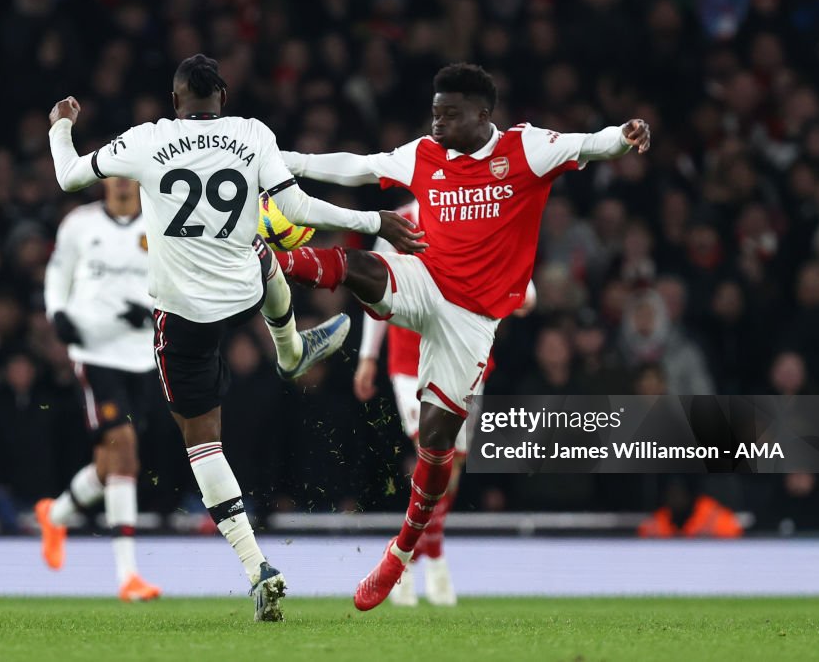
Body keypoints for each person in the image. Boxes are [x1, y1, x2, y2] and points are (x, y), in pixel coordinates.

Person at [46, 54, 421, 621]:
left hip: (181, 316)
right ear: (222, 96)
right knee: (265, 255)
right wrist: (372, 220)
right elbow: (293, 207)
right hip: (242, 292)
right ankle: (291, 350)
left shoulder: (147, 140)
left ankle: (257, 567)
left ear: (176, 102)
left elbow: (69, 176)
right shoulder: (252, 134)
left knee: (203, 443)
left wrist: (60, 124)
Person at [278, 62, 650, 610]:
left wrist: (623, 135)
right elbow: (358, 168)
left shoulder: (526, 150)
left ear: (483, 115)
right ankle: (272, 259)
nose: (437, 124)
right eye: (434, 113)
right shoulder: (424, 155)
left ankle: (400, 554)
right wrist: (288, 161)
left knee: (438, 448)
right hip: (425, 280)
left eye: (449, 115)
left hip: (472, 322)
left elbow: (590, 145)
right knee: (361, 265)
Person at [353, 200, 535, 607]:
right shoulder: (397, 220)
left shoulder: (483, 214)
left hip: (466, 353)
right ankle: (425, 561)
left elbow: (526, 290)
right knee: (434, 456)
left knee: (453, 468)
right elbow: (372, 284)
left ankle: (419, 555)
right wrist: (367, 356)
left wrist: (518, 293)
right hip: (409, 361)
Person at [35, 177, 163, 602]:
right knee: (125, 448)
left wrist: (148, 311)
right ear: (105, 179)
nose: (123, 181)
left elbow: (174, 282)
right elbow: (58, 273)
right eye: (116, 172)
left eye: (131, 172)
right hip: (94, 352)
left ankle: (55, 514)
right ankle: (128, 576)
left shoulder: (161, 224)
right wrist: (58, 314)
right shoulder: (80, 223)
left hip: (142, 356)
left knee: (111, 464)